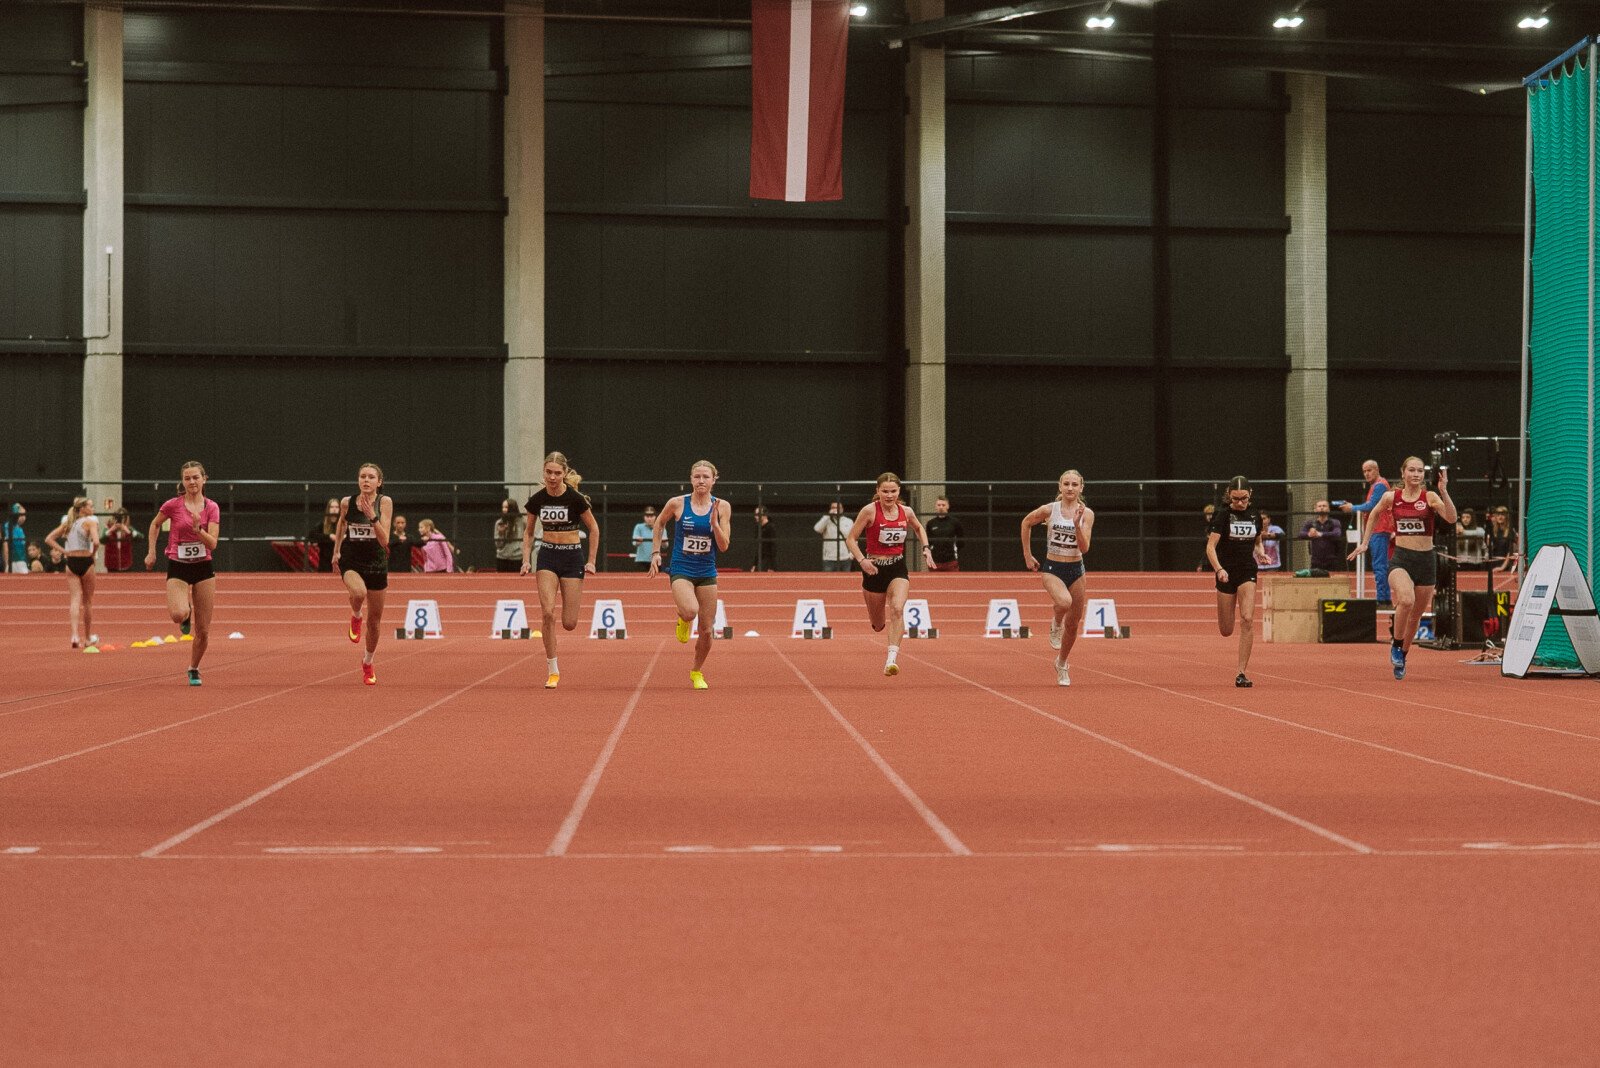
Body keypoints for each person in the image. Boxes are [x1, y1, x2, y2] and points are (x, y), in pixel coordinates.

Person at [1350, 458, 1457, 681]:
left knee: (1416, 614)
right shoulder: (1391, 497)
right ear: (1403, 473)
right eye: (1412, 470)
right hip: (1401, 559)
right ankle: (1396, 645)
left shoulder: (1430, 497)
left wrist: (1444, 491)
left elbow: (1451, 518)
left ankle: (1403, 655)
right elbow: (1374, 514)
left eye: (1420, 471)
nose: (1416, 474)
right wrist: (1365, 543)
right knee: (1406, 600)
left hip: (1426, 561)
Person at [649, 460, 732, 690]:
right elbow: (659, 523)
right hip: (681, 568)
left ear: (714, 480)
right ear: (691, 479)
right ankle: (683, 618)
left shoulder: (723, 506)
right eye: (697, 477)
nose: (701, 481)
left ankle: (696, 671)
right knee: (690, 610)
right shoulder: (677, 503)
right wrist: (655, 553)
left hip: (706, 571)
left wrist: (714, 524)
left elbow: (724, 546)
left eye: (706, 477)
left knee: (706, 630)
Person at [521, 451, 600, 689]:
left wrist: (591, 561)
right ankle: (552, 669)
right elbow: (528, 532)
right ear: (543, 472)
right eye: (548, 472)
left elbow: (594, 528)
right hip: (547, 556)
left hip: (572, 558)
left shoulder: (576, 499)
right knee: (548, 613)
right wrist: (526, 560)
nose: (552, 477)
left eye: (557, 473)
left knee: (569, 623)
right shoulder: (537, 500)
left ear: (564, 473)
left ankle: (555, 661)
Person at [846, 472, 934, 677]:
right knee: (878, 625)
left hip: (897, 567)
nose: (889, 495)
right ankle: (879, 626)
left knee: (897, 608)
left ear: (899, 491)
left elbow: (919, 527)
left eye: (893, 491)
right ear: (878, 491)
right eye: (885, 491)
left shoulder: (906, 511)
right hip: (874, 569)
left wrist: (926, 548)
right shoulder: (869, 511)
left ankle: (891, 660)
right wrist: (862, 561)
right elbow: (851, 539)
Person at [145, 461, 220, 687]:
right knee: (178, 614)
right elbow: (155, 524)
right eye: (187, 478)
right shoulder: (172, 505)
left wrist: (199, 531)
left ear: (204, 479)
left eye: (196, 477)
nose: (192, 482)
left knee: (203, 631)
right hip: (178, 565)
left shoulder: (212, 507)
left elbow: (213, 544)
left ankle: (193, 668)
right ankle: (186, 614)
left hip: (203, 568)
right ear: (182, 481)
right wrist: (151, 552)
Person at [1020, 470, 1096, 687]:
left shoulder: (1087, 514)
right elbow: (1026, 523)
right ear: (1060, 486)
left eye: (1074, 484)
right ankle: (1056, 622)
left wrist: (1076, 525)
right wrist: (1027, 555)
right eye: (1066, 484)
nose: (1070, 488)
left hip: (1076, 570)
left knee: (1073, 624)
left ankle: (1062, 663)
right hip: (1053, 568)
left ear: (1081, 488)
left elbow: (1084, 548)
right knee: (1064, 602)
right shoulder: (1049, 510)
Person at [331, 463, 393, 686]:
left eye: (371, 477)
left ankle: (368, 662)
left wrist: (372, 516)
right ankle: (356, 615)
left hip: (376, 563)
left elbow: (384, 540)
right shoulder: (347, 502)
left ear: (379, 482)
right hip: (352, 559)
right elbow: (341, 523)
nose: (366, 480)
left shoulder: (384, 502)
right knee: (358, 593)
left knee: (374, 622)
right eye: (362, 476)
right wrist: (336, 551)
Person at [1205, 476, 1269, 688]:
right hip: (1225, 571)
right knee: (1226, 629)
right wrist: (1219, 569)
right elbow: (1210, 547)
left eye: (1243, 498)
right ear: (1229, 495)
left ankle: (1241, 672)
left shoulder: (1255, 515)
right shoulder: (1223, 515)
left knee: (1247, 619)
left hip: (1247, 570)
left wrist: (1261, 554)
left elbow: (1257, 543)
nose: (1240, 503)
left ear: (1250, 494)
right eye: (1235, 499)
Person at [44, 497, 100, 648]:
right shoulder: (90, 522)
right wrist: (93, 554)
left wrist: (65, 552)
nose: (93, 508)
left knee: (74, 600)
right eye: (90, 506)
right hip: (86, 561)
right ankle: (87, 638)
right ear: (83, 509)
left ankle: (74, 635)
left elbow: (49, 539)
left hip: (71, 562)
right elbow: (96, 542)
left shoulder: (68, 524)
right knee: (87, 601)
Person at [1337, 460, 1393, 605]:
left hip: (1379, 529)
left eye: (1369, 470)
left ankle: (1383, 599)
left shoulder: (1380, 485)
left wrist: (1352, 508)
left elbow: (1371, 506)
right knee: (1379, 565)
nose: (1366, 474)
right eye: (1364, 471)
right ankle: (1384, 598)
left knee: (1379, 565)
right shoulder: (1377, 485)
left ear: (1377, 470)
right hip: (1378, 529)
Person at [1296, 501, 1344, 572]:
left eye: (1324, 506)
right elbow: (1301, 534)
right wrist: (1309, 534)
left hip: (1332, 560)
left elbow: (1337, 533)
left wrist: (1320, 534)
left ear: (1328, 509)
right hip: (1316, 561)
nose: (1322, 508)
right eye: (1319, 506)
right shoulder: (1311, 523)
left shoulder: (1335, 522)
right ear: (1315, 509)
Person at [924, 495, 963, 572]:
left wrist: (954, 552)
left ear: (948, 506)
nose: (941, 507)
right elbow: (928, 542)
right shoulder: (931, 523)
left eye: (943, 505)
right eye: (939, 505)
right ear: (936, 506)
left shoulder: (955, 522)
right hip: (935, 561)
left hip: (951, 561)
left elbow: (961, 540)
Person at [813, 502, 851, 572]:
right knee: (828, 579)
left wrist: (851, 555)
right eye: (833, 508)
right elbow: (817, 529)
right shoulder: (827, 520)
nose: (836, 509)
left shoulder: (848, 521)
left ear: (842, 509)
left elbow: (853, 538)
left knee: (846, 578)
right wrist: (828, 516)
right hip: (829, 559)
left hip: (845, 558)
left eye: (838, 508)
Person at [493, 499, 525, 574]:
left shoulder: (522, 521)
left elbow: (531, 536)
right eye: (503, 507)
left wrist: (523, 551)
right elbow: (498, 545)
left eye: (506, 507)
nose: (504, 510)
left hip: (517, 558)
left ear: (512, 508)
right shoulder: (499, 522)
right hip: (502, 557)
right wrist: (501, 533)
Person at [309, 497, 340, 572]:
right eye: (332, 507)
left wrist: (344, 537)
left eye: (336, 507)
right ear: (328, 509)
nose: (334, 509)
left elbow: (351, 536)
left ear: (340, 509)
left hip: (340, 561)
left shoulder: (343, 525)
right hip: (325, 561)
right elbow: (311, 536)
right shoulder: (322, 525)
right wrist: (329, 536)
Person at [102, 507, 137, 572]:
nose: (120, 520)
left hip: (125, 564)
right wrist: (110, 530)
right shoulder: (108, 527)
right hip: (111, 565)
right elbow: (102, 540)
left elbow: (140, 537)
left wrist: (128, 531)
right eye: (118, 517)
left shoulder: (129, 528)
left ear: (125, 518)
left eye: (122, 518)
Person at [1487, 506, 1518, 572]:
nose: (1500, 517)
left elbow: (1511, 551)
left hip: (1506, 565)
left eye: (1502, 515)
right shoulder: (1493, 531)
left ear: (1506, 517)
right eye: (1498, 515)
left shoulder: (1511, 531)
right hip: (1493, 563)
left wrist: (1502, 567)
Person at [750, 506, 778, 571]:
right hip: (760, 559)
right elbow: (759, 547)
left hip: (768, 560)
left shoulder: (770, 527)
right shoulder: (757, 527)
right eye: (755, 514)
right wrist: (754, 564)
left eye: (758, 514)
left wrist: (771, 566)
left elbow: (773, 546)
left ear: (765, 515)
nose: (756, 517)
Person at [632, 507, 657, 571]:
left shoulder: (660, 527)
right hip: (641, 561)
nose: (649, 519)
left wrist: (663, 542)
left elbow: (666, 545)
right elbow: (634, 543)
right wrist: (638, 542)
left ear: (655, 517)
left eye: (651, 516)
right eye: (647, 516)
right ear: (644, 517)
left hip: (655, 561)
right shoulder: (638, 527)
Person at [5, 504, 27, 573]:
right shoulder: (9, 526)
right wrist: (16, 507)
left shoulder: (20, 529)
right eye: (21, 515)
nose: (23, 518)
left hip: (21, 561)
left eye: (24, 515)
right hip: (13, 562)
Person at [1195, 503, 1216, 571]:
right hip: (1208, 560)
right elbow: (1206, 549)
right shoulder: (1206, 529)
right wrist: (1201, 563)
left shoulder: (1219, 527)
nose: (1209, 516)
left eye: (1211, 514)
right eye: (1208, 514)